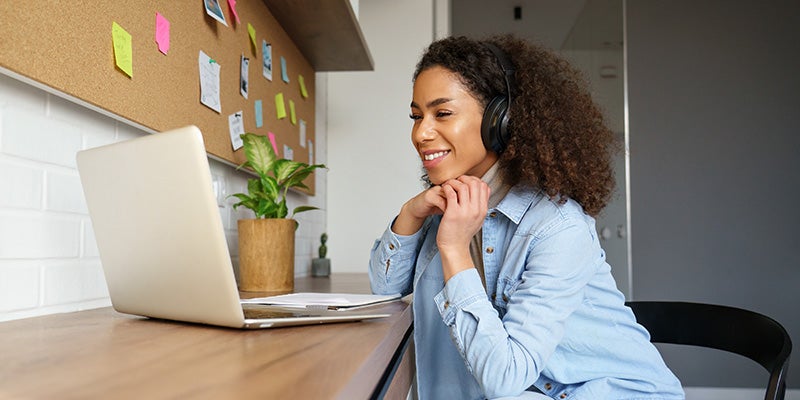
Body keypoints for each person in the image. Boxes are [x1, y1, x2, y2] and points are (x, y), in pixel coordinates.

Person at [368, 35, 685, 400]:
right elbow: (385, 291)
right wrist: (410, 214)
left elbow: (505, 378)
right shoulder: (449, 206)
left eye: (442, 113)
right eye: (416, 116)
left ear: (499, 120)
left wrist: (454, 248)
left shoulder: (557, 226)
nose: (421, 133)